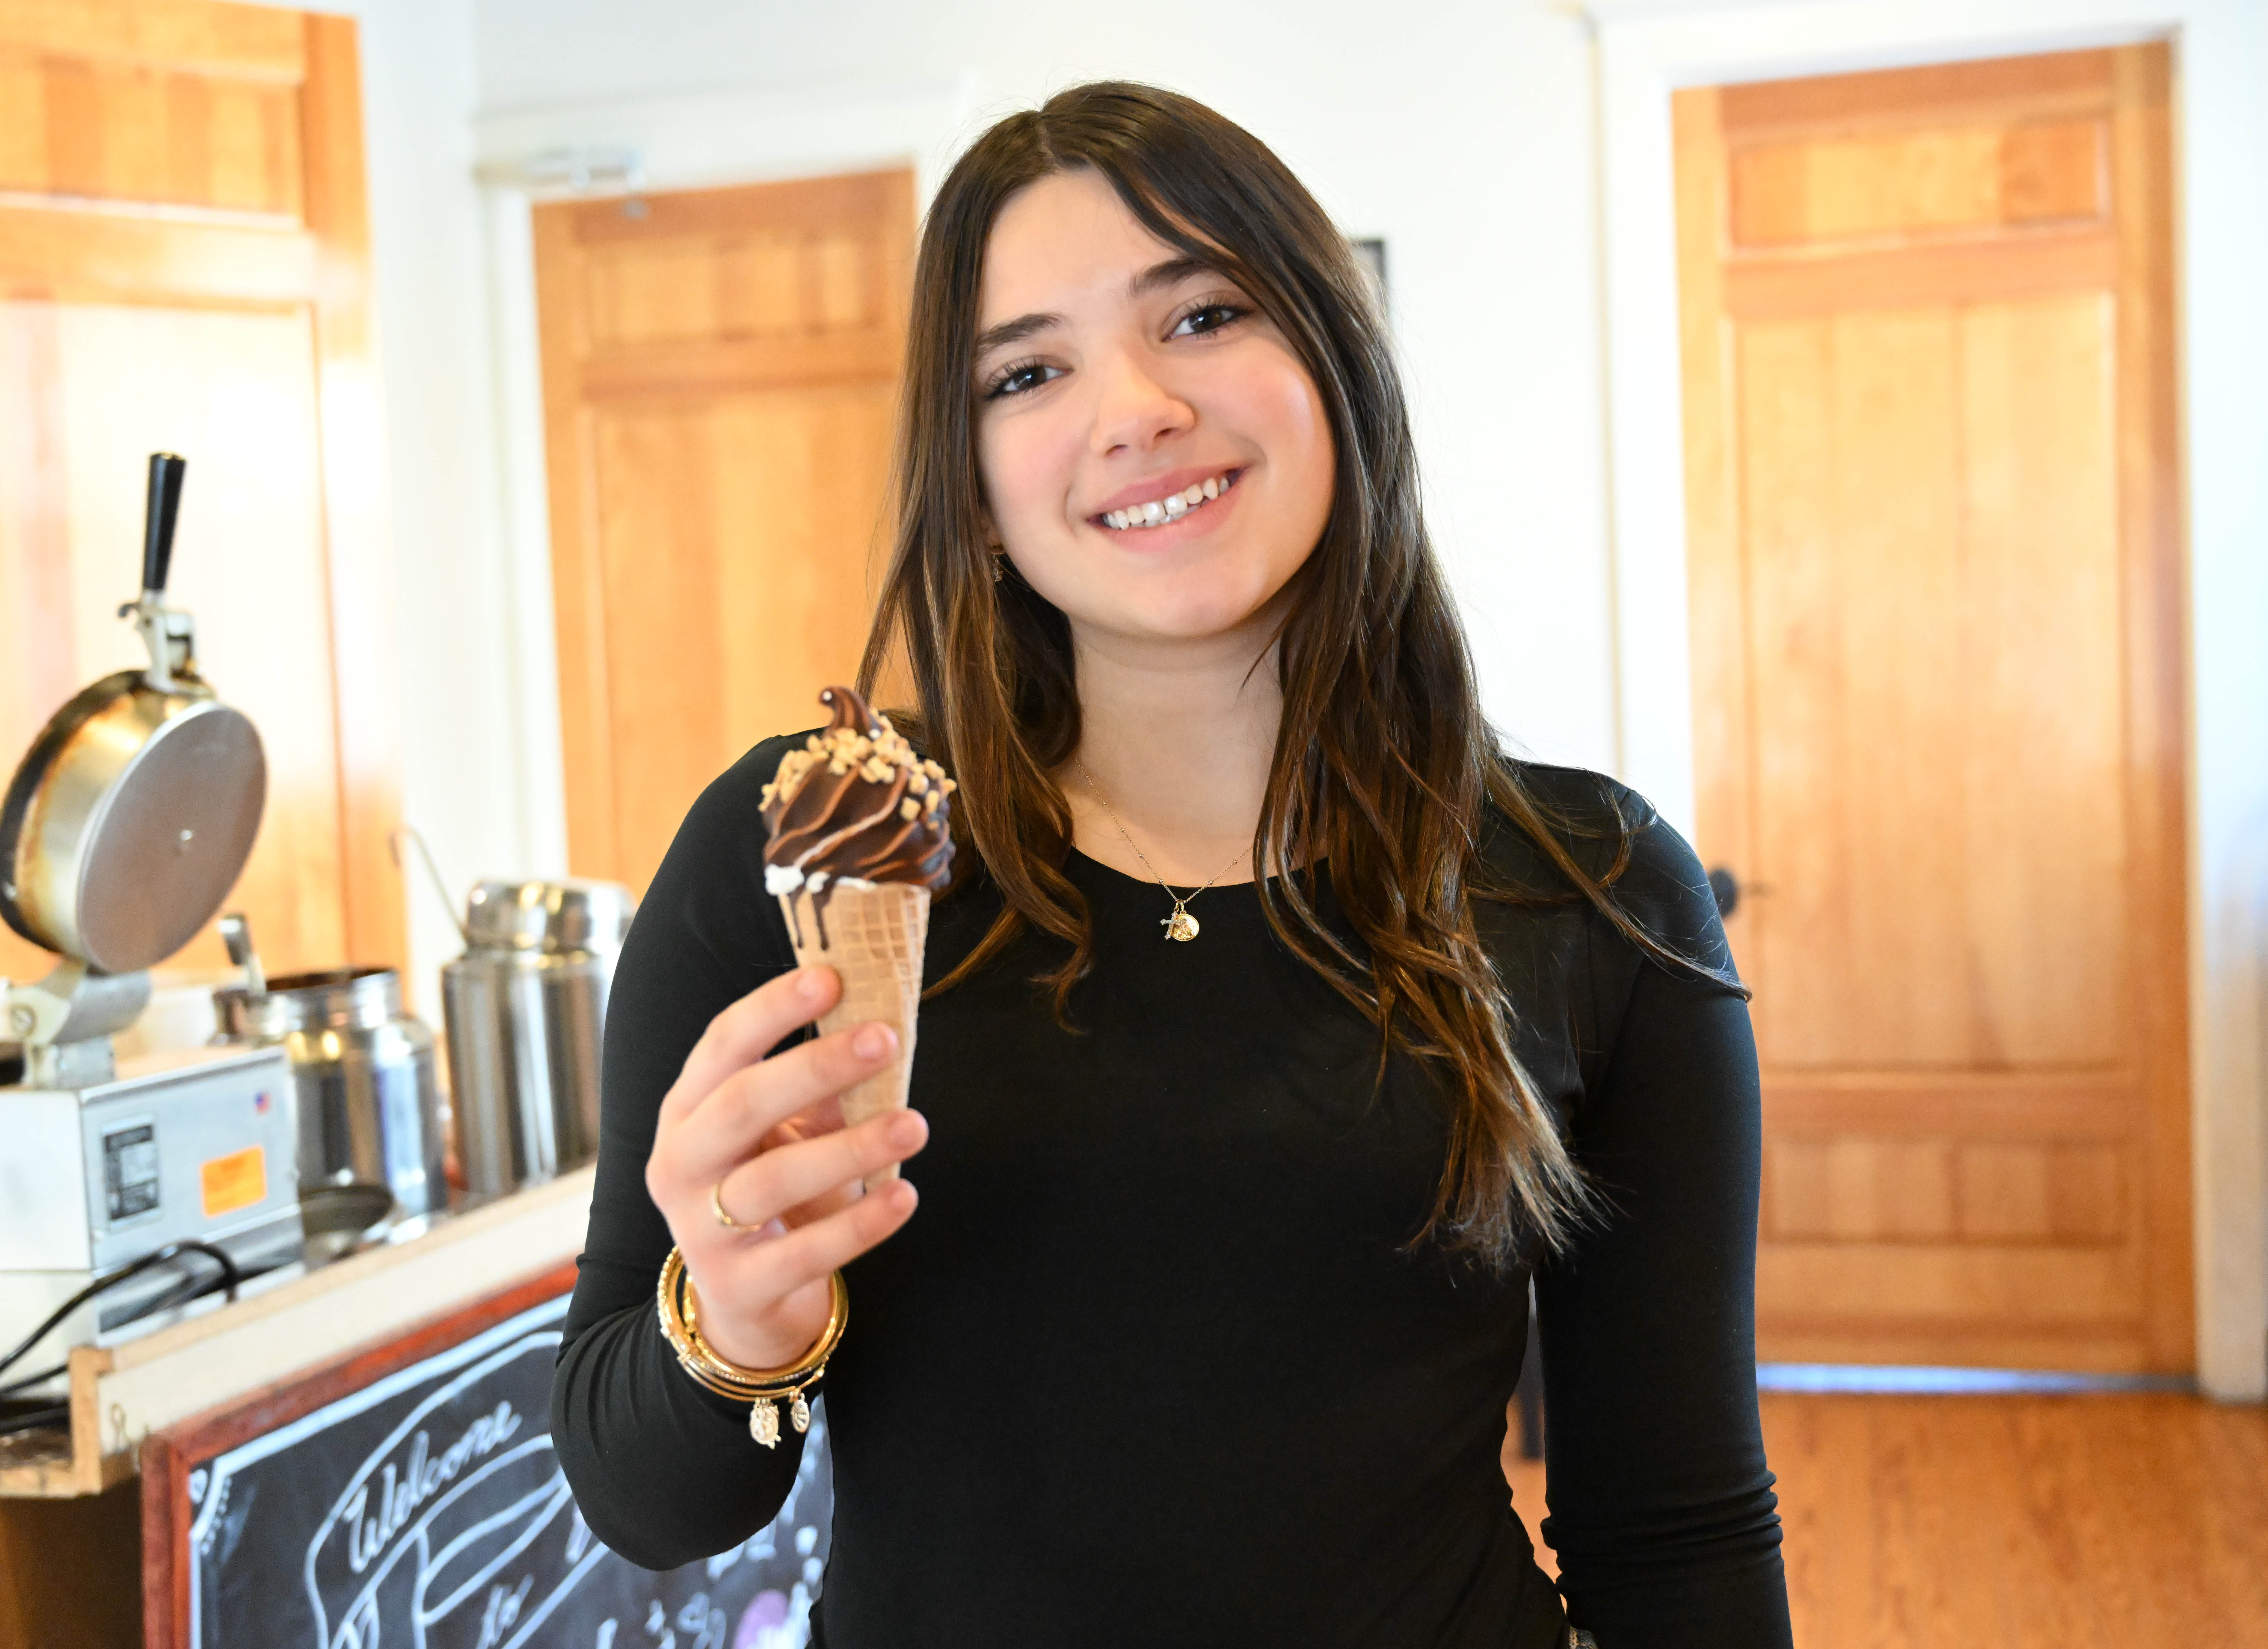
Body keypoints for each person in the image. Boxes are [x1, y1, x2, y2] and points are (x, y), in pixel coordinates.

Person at [552, 82, 1789, 1648]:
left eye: (1202, 314)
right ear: (979, 484)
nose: (1131, 407)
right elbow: (647, 1503)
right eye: (1030, 370)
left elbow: (1676, 1529)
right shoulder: (806, 850)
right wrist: (728, 1328)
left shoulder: (1595, 887)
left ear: (1335, 366)